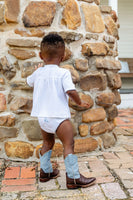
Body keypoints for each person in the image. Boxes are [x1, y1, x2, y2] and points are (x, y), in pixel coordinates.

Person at [27, 33, 96, 189]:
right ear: (63, 56)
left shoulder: (38, 72)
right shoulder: (63, 73)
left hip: (42, 118)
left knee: (47, 142)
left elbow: (29, 81)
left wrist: (37, 70)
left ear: (40, 55)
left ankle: (45, 172)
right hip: (59, 118)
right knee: (68, 144)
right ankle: (73, 178)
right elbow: (71, 91)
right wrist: (79, 101)